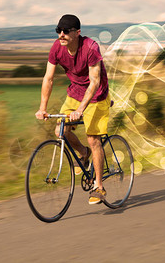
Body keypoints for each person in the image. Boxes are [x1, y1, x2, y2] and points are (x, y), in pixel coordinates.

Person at [35, 14, 110, 205]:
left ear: (77, 33)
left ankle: (99, 187)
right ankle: (83, 154)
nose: (61, 34)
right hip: (75, 93)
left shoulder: (90, 48)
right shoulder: (56, 48)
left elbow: (94, 82)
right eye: (58, 31)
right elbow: (48, 78)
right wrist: (42, 108)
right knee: (60, 129)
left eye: (66, 31)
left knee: (94, 139)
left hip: (97, 95)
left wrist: (81, 110)